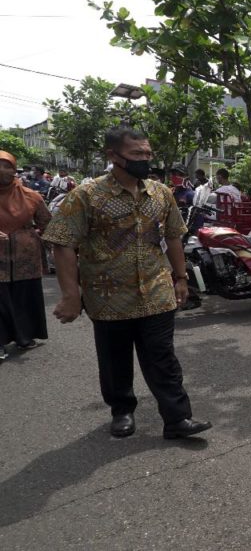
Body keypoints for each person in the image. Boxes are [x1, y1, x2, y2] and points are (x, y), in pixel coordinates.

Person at [43, 127, 212, 440]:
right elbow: (62, 241)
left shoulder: (160, 193)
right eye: (137, 155)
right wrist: (70, 294)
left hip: (156, 289)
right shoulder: (86, 195)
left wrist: (181, 277)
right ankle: (121, 410)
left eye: (147, 154)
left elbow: (174, 235)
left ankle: (177, 418)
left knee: (162, 356)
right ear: (113, 156)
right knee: (114, 357)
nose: (144, 160)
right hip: (108, 296)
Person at [0, 150, 51, 361]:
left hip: (25, 257)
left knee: (23, 298)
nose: (2, 170)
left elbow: (48, 224)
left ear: (14, 169)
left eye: (7, 166)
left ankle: (24, 336)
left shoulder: (32, 196)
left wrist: (40, 239)